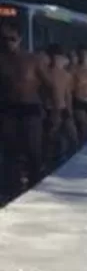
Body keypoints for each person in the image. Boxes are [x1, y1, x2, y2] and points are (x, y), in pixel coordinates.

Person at [0, 22, 48, 197]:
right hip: (8, 109)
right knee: (10, 149)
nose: (8, 43)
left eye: (11, 39)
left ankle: (36, 183)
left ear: (20, 39)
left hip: (30, 108)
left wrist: (53, 109)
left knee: (33, 149)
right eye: (4, 39)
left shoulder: (32, 60)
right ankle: (10, 186)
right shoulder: (2, 60)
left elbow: (49, 85)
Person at [44, 43, 77, 163]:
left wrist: (70, 112)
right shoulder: (45, 73)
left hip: (63, 110)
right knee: (51, 139)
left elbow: (68, 94)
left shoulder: (66, 75)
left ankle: (67, 160)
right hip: (50, 110)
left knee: (72, 139)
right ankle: (50, 162)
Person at [71, 45, 87, 147]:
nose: (84, 57)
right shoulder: (75, 69)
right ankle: (80, 147)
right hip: (79, 100)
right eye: (82, 55)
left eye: (85, 55)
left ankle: (86, 147)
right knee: (83, 127)